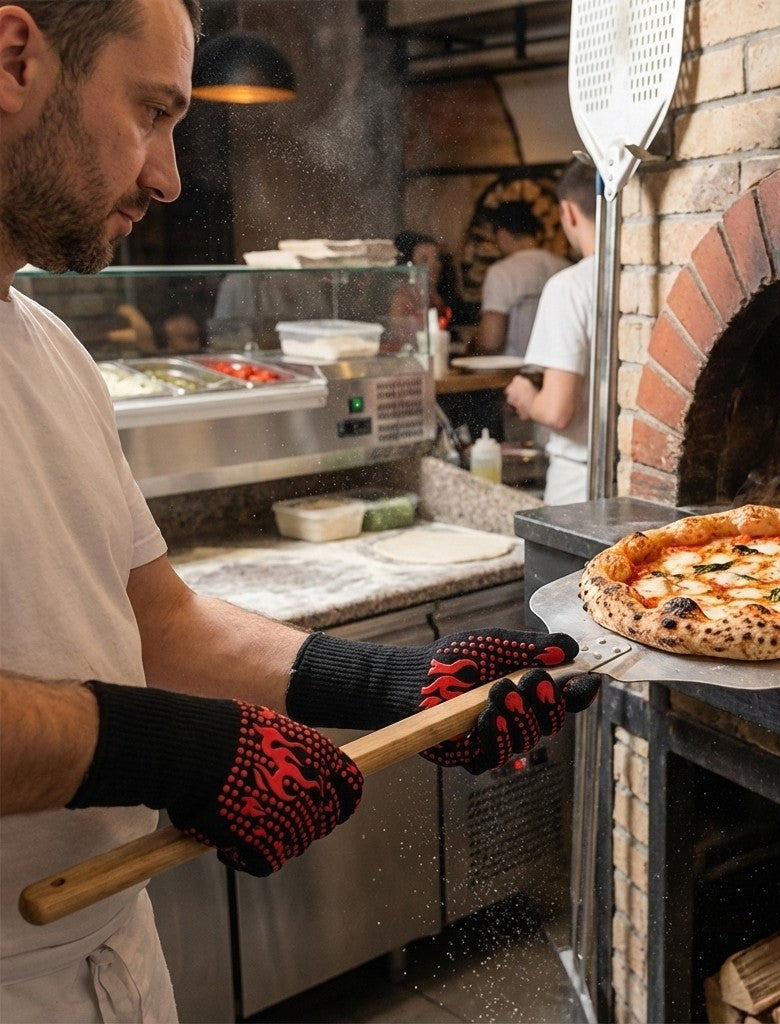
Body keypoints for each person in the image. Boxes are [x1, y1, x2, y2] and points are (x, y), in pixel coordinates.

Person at [0, 3, 602, 1021]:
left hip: (109, 955)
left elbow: (158, 623)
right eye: (152, 109)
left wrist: (395, 684)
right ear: (15, 58)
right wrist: (181, 751)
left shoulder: (50, 351)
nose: (168, 176)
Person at [505, 160, 598, 505]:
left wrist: (527, 398)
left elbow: (558, 409)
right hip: (633, 471)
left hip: (579, 475)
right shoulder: (638, 276)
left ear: (568, 212)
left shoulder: (569, 287)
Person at [473, 200, 568, 360]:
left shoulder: (501, 272)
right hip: (557, 371)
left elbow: (491, 341)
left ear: (502, 235)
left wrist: (473, 344)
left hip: (513, 373)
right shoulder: (564, 267)